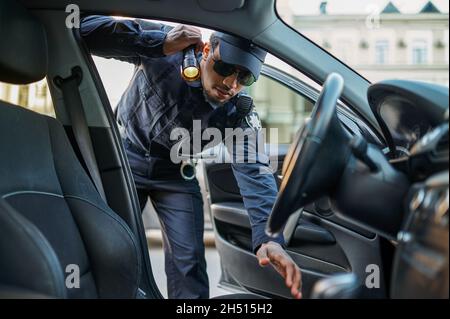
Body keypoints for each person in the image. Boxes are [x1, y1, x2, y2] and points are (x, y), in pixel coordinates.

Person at [81, 15, 302, 299]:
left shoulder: (239, 112)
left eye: (244, 77)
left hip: (177, 173)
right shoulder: (170, 48)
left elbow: (255, 169)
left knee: (190, 266)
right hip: (125, 159)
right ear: (207, 51)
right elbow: (85, 31)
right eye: (224, 68)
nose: (231, 84)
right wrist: (160, 43)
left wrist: (269, 239)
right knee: (111, 250)